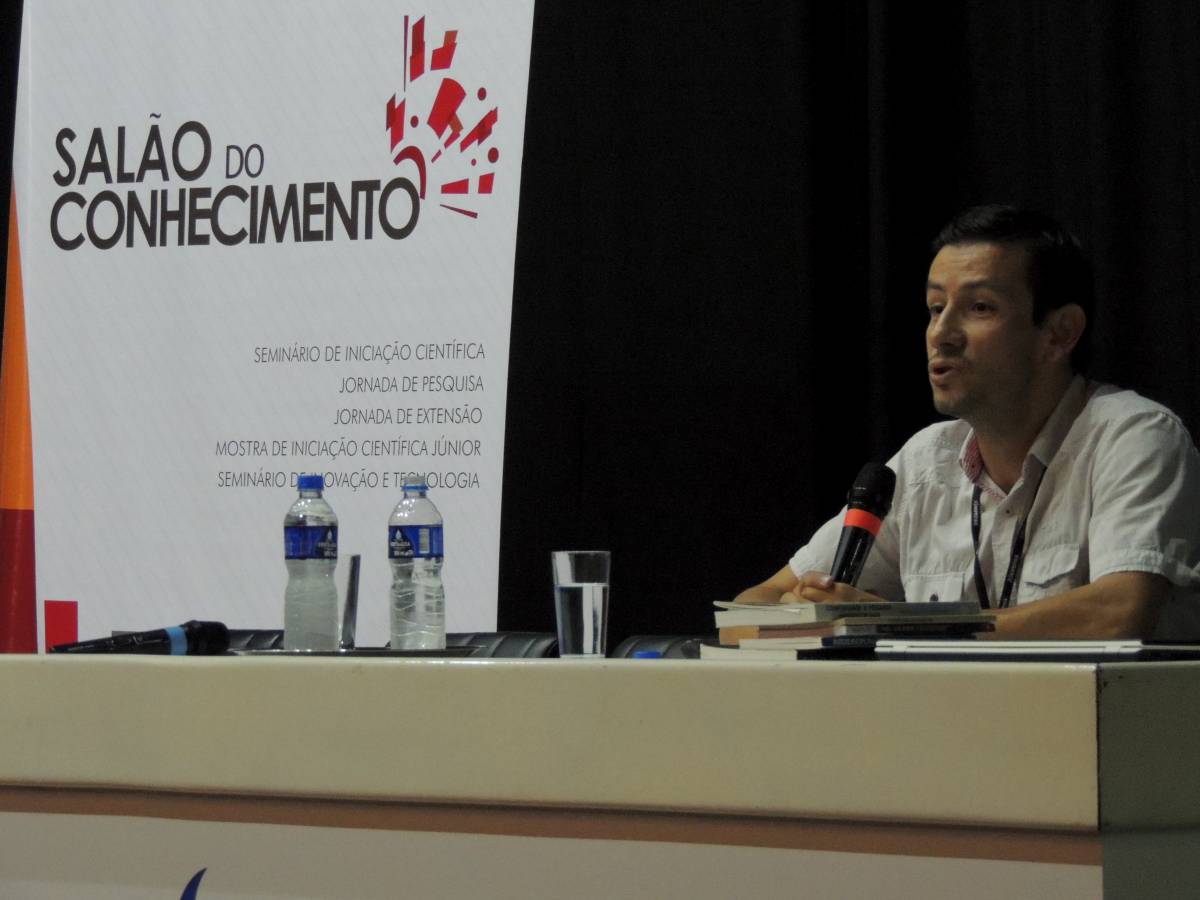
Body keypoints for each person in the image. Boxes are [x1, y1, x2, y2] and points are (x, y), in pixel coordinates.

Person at [738, 204, 1200, 639]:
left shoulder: (1134, 437)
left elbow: (1120, 611)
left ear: (1060, 333)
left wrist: (896, 626)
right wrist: (801, 612)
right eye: (936, 308)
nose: (941, 334)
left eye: (980, 307)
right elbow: (753, 606)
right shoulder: (924, 462)